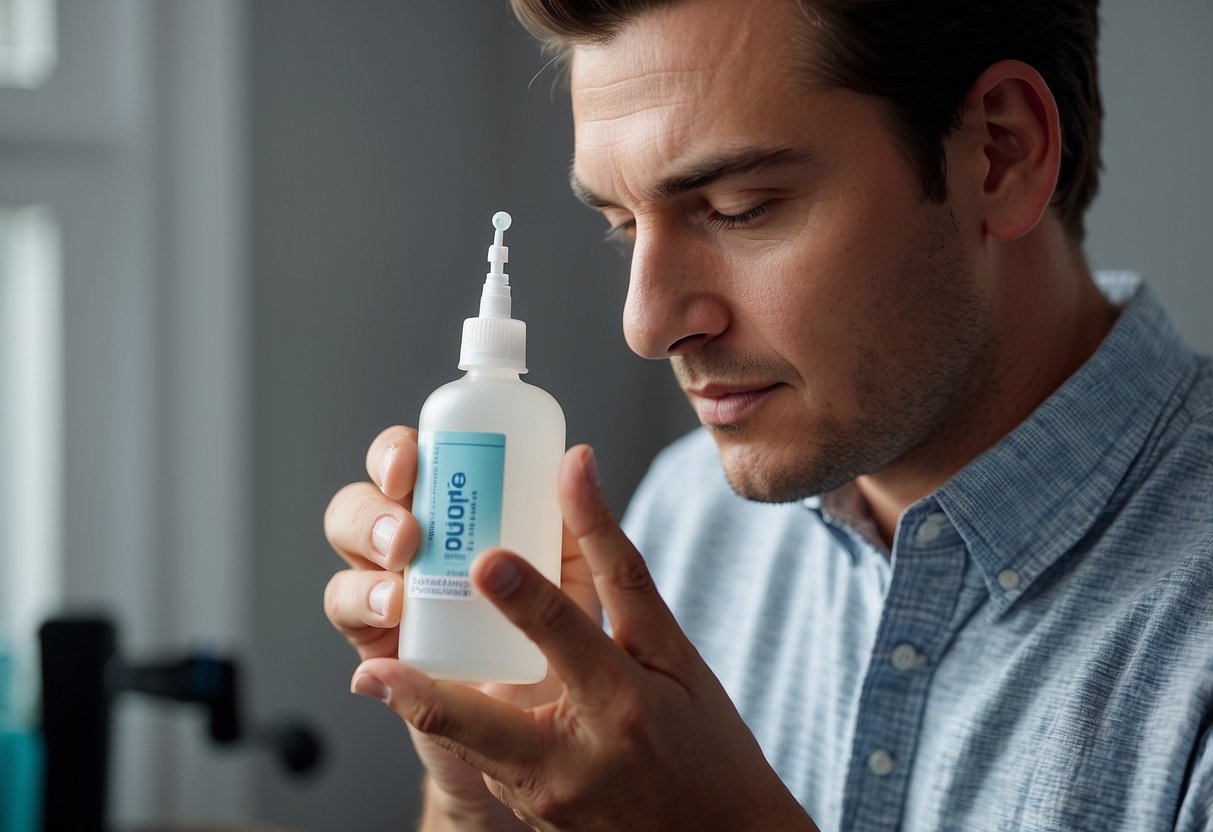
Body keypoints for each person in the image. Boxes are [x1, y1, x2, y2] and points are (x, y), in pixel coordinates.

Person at [323, 0, 1213, 828]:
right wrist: (483, 796)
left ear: (1000, 153)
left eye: (737, 210)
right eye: (623, 227)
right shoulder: (682, 515)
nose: (645, 324)